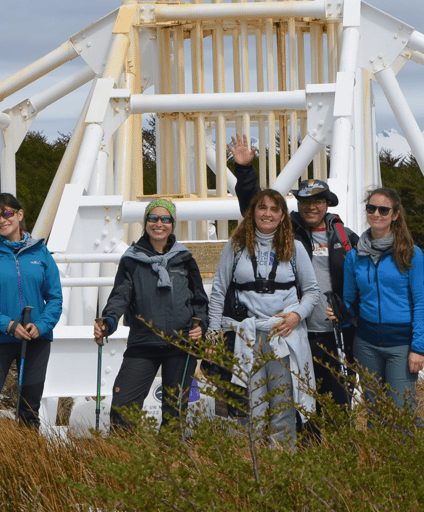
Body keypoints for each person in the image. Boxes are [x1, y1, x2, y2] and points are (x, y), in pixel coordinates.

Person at [231, 134, 359, 422]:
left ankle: (338, 460)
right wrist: (244, 171)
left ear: (327, 204)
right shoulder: (285, 231)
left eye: (318, 201)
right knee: (299, 406)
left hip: (334, 334)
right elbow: (256, 208)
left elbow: (364, 282)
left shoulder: (346, 238)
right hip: (294, 335)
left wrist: (351, 311)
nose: (311, 207)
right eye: (305, 201)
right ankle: (306, 459)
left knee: (338, 405)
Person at [208, 189, 319, 449]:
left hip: (284, 335)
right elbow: (218, 291)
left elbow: (312, 291)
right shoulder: (236, 246)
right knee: (251, 404)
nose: (267, 213)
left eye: (274, 209)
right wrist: (213, 335)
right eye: (262, 208)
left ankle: (282, 463)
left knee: (283, 403)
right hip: (247, 336)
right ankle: (251, 463)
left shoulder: (295, 247)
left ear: (282, 216)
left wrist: (295, 316)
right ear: (253, 212)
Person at [95, 199, 208, 431]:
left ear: (172, 224)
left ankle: (170, 462)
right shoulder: (131, 259)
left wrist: (201, 325)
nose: (159, 223)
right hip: (143, 343)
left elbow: (199, 299)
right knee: (123, 410)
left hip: (181, 344)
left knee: (175, 414)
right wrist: (108, 321)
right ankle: (127, 463)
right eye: (153, 218)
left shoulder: (184, 259)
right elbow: (120, 297)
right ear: (145, 222)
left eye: (165, 219)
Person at [0, 193, 63, 434]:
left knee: (29, 408)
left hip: (35, 340)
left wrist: (41, 325)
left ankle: (28, 461)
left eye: (7, 213)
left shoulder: (41, 254)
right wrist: (6, 324)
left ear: (19, 215)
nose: (1, 220)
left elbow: (55, 298)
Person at [328, 188, 424, 418]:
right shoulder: (354, 256)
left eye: (384, 209)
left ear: (395, 215)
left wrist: (418, 347)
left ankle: (413, 455)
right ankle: (377, 456)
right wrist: (341, 313)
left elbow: (420, 303)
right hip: (366, 343)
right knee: (374, 411)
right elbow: (352, 300)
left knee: (402, 412)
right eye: (371, 208)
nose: (376, 214)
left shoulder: (411, 253)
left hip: (401, 345)